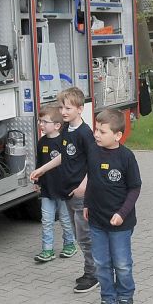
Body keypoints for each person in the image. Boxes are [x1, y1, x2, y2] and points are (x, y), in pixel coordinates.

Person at [30, 87, 97, 293]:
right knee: (79, 235)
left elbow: (94, 162)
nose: (64, 111)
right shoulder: (67, 130)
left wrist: (83, 186)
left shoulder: (85, 133)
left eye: (67, 107)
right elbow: (64, 157)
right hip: (67, 192)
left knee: (85, 236)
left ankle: (94, 274)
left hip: (80, 193)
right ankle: (90, 270)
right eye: (61, 107)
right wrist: (42, 169)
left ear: (80, 109)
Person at [84, 109, 142, 304]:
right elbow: (92, 181)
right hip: (97, 220)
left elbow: (135, 188)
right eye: (96, 130)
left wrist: (122, 213)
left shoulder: (126, 157)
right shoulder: (93, 150)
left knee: (122, 263)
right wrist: (87, 204)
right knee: (101, 262)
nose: (97, 134)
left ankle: (126, 298)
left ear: (117, 135)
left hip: (120, 223)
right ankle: (108, 299)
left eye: (102, 131)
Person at [33, 104, 78, 263]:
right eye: (40, 121)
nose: (41, 124)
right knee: (46, 220)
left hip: (63, 190)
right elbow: (40, 163)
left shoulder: (64, 142)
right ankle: (47, 250)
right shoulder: (41, 142)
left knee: (65, 219)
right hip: (47, 189)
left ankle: (70, 244)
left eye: (45, 121)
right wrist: (37, 179)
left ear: (57, 125)